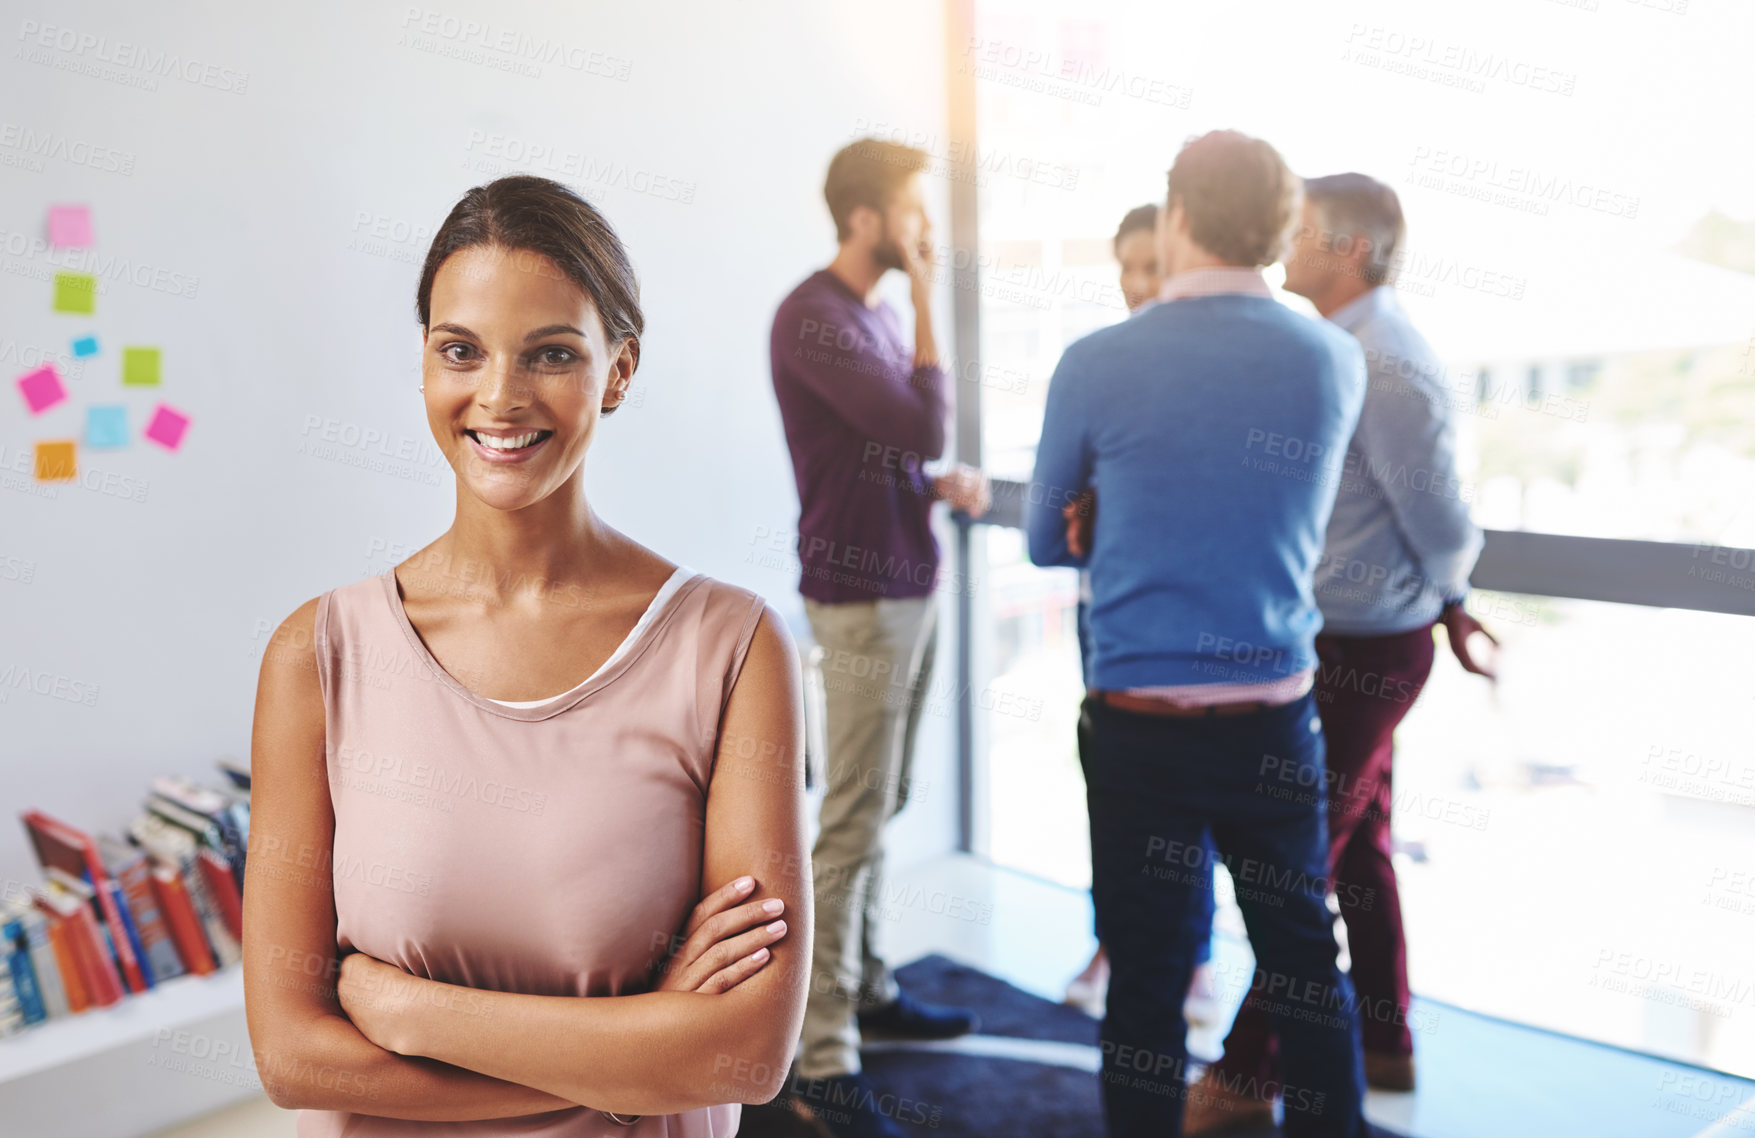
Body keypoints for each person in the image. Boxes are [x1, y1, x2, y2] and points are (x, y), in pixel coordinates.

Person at [245, 174, 812, 1135]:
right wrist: (638, 1049)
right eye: (459, 350)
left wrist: (409, 1012)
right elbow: (293, 1058)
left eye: (551, 354)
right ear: (424, 362)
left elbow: (744, 1057)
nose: (499, 398)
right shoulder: (318, 655)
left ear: (619, 372)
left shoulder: (734, 648)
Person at [1028, 130, 1371, 1138]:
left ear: (1177, 217)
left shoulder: (1095, 360)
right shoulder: (1333, 357)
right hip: (1272, 722)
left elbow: (1050, 539)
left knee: (1145, 981)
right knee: (1305, 966)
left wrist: (1110, 512)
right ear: (1277, 229)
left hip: (1141, 727)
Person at [1186, 173, 1493, 1130]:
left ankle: (1244, 1075)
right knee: (1356, 849)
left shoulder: (1384, 359)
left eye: (1305, 229)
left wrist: (1451, 598)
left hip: (1367, 649)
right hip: (1342, 639)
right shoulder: (1340, 346)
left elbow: (1437, 516)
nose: (1285, 238)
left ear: (1348, 249)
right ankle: (1386, 1042)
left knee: (1295, 863)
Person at [769, 138, 992, 1138]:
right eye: (913, 212)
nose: (925, 232)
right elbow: (919, 423)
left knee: (885, 795)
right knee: (853, 816)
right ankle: (820, 1055)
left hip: (907, 580)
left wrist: (935, 488)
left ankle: (865, 986)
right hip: (861, 597)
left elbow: (898, 451)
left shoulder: (867, 316)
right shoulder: (814, 317)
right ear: (866, 218)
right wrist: (935, 297)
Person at [1065, 203, 1218, 1030]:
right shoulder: (1102, 370)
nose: (1136, 286)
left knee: (1187, 808)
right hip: (1106, 620)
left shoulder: (1210, 379)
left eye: (1151, 267)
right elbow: (1060, 522)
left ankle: (1195, 961)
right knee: (1114, 807)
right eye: (1126, 268)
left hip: (1192, 633)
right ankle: (1111, 942)